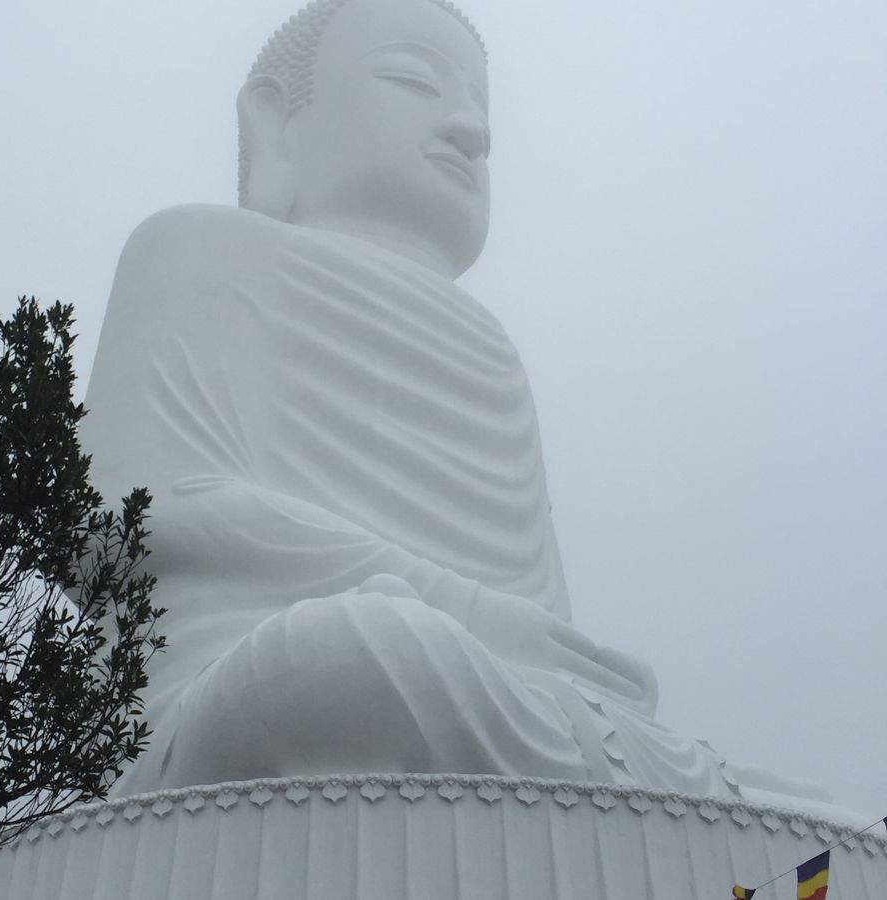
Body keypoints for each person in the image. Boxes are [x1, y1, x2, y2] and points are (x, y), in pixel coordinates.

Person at [79, 0, 837, 814]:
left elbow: (541, 638)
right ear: (277, 120)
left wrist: (530, 652)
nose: (470, 130)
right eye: (415, 82)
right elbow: (118, 520)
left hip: (490, 688)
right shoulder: (195, 251)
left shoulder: (492, 350)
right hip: (236, 673)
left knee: (777, 798)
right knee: (349, 655)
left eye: (482, 110)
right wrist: (467, 614)